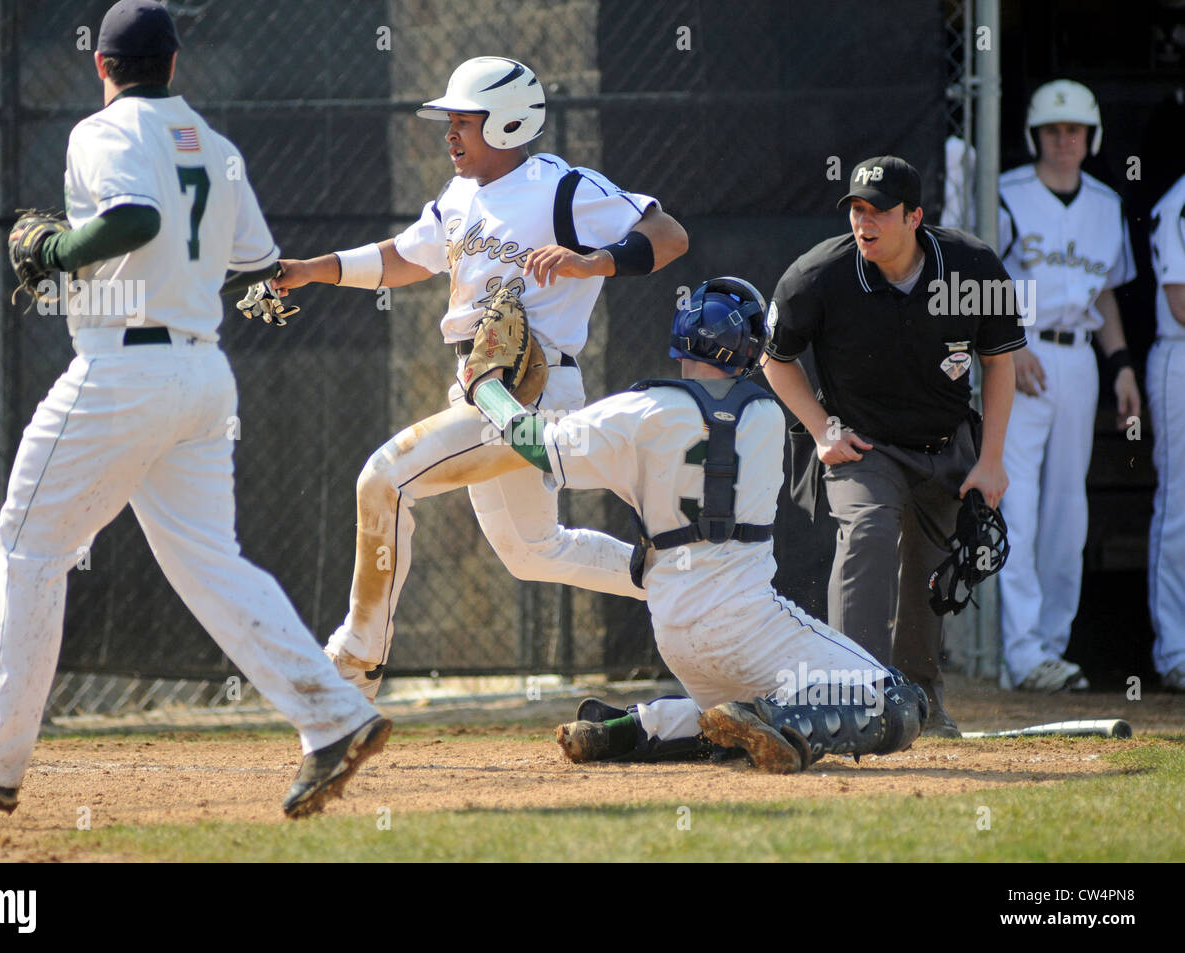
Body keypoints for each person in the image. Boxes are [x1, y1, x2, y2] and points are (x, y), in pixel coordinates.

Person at [0, 0, 388, 819]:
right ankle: (334, 716)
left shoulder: (101, 130)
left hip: (124, 370)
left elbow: (134, 218)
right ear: (175, 63)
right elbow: (255, 263)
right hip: (201, 372)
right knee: (210, 562)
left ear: (102, 64)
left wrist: (53, 252)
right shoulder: (217, 146)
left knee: (28, 541)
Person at [270, 56, 688, 700]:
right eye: (450, 120)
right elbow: (402, 259)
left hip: (531, 391)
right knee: (532, 551)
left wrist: (597, 261)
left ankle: (355, 663)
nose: (449, 133)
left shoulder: (564, 189)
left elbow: (668, 235)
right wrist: (311, 268)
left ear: (510, 122)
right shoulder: (460, 195)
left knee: (385, 479)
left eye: (463, 120)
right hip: (477, 384)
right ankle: (680, 576)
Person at [465, 277, 927, 771]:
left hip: (674, 631)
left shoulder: (641, 410)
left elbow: (540, 446)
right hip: (747, 623)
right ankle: (772, 722)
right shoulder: (768, 414)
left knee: (722, 713)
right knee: (898, 699)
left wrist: (486, 388)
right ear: (749, 352)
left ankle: (625, 732)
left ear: (681, 335)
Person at [760, 156, 1024, 737]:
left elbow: (999, 363)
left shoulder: (971, 267)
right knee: (870, 534)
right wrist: (823, 428)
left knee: (930, 574)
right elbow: (775, 361)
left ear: (915, 218)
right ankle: (853, 696)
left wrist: (991, 459)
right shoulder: (819, 275)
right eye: (857, 210)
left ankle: (920, 705)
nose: (865, 222)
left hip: (946, 442)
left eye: (879, 211)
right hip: (864, 444)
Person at [996, 80, 1140, 692]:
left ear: (1092, 138)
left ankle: (1053, 647)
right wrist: (1011, 343)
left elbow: (1104, 291)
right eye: (1053, 131)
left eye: (1075, 131)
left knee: (1067, 509)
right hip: (1018, 359)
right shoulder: (1004, 193)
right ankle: (1021, 652)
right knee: (1018, 504)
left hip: (1078, 358)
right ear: (1035, 136)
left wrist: (1123, 363)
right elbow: (976, 278)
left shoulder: (1106, 204)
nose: (1064, 140)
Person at [1147, 172, 1185, 692]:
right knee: (1180, 508)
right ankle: (1176, 649)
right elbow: (1181, 302)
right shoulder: (1179, 200)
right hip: (1180, 355)